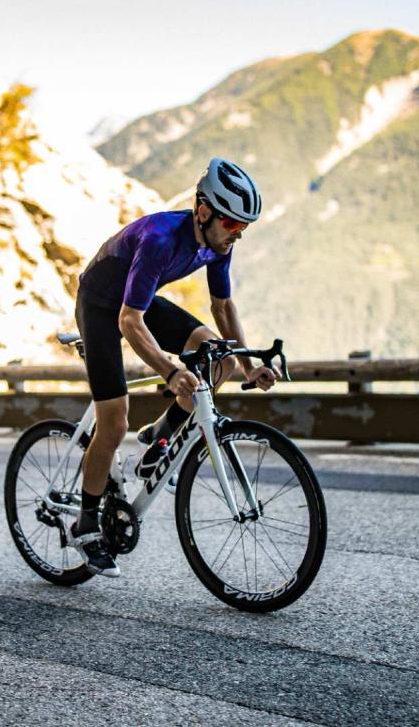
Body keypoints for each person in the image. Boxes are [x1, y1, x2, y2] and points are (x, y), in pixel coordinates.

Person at [70, 157, 279, 576]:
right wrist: (170, 371)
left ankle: (160, 437)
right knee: (114, 423)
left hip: (138, 299)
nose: (237, 234)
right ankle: (86, 523)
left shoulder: (218, 244)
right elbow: (129, 321)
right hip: (100, 306)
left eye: (244, 227)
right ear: (203, 211)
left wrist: (247, 365)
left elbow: (223, 307)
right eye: (231, 224)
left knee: (218, 360)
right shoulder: (160, 239)